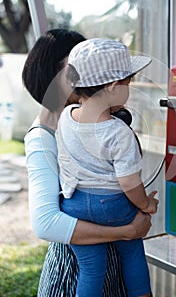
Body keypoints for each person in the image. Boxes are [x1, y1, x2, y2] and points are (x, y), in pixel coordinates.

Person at [22, 29, 153, 297]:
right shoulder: (42, 137)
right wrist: (126, 231)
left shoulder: (96, 122)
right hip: (75, 273)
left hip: (113, 267)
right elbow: (46, 223)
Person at [56, 38, 159, 297]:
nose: (129, 90)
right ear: (113, 86)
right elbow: (128, 183)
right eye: (128, 84)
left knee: (91, 268)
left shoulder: (65, 118)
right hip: (113, 206)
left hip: (74, 204)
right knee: (132, 252)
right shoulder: (117, 132)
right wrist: (146, 204)